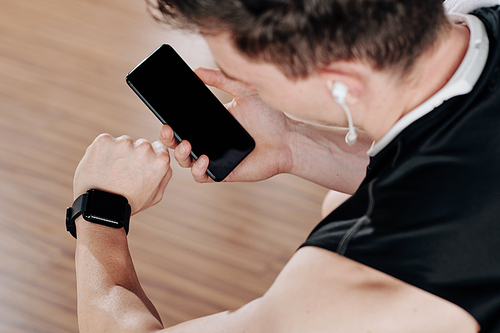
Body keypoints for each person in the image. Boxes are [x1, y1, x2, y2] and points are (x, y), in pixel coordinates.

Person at [68, 0, 500, 331]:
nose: (245, 85)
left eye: (247, 75)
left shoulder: (374, 272)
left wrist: (100, 209)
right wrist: (293, 143)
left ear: (342, 83)